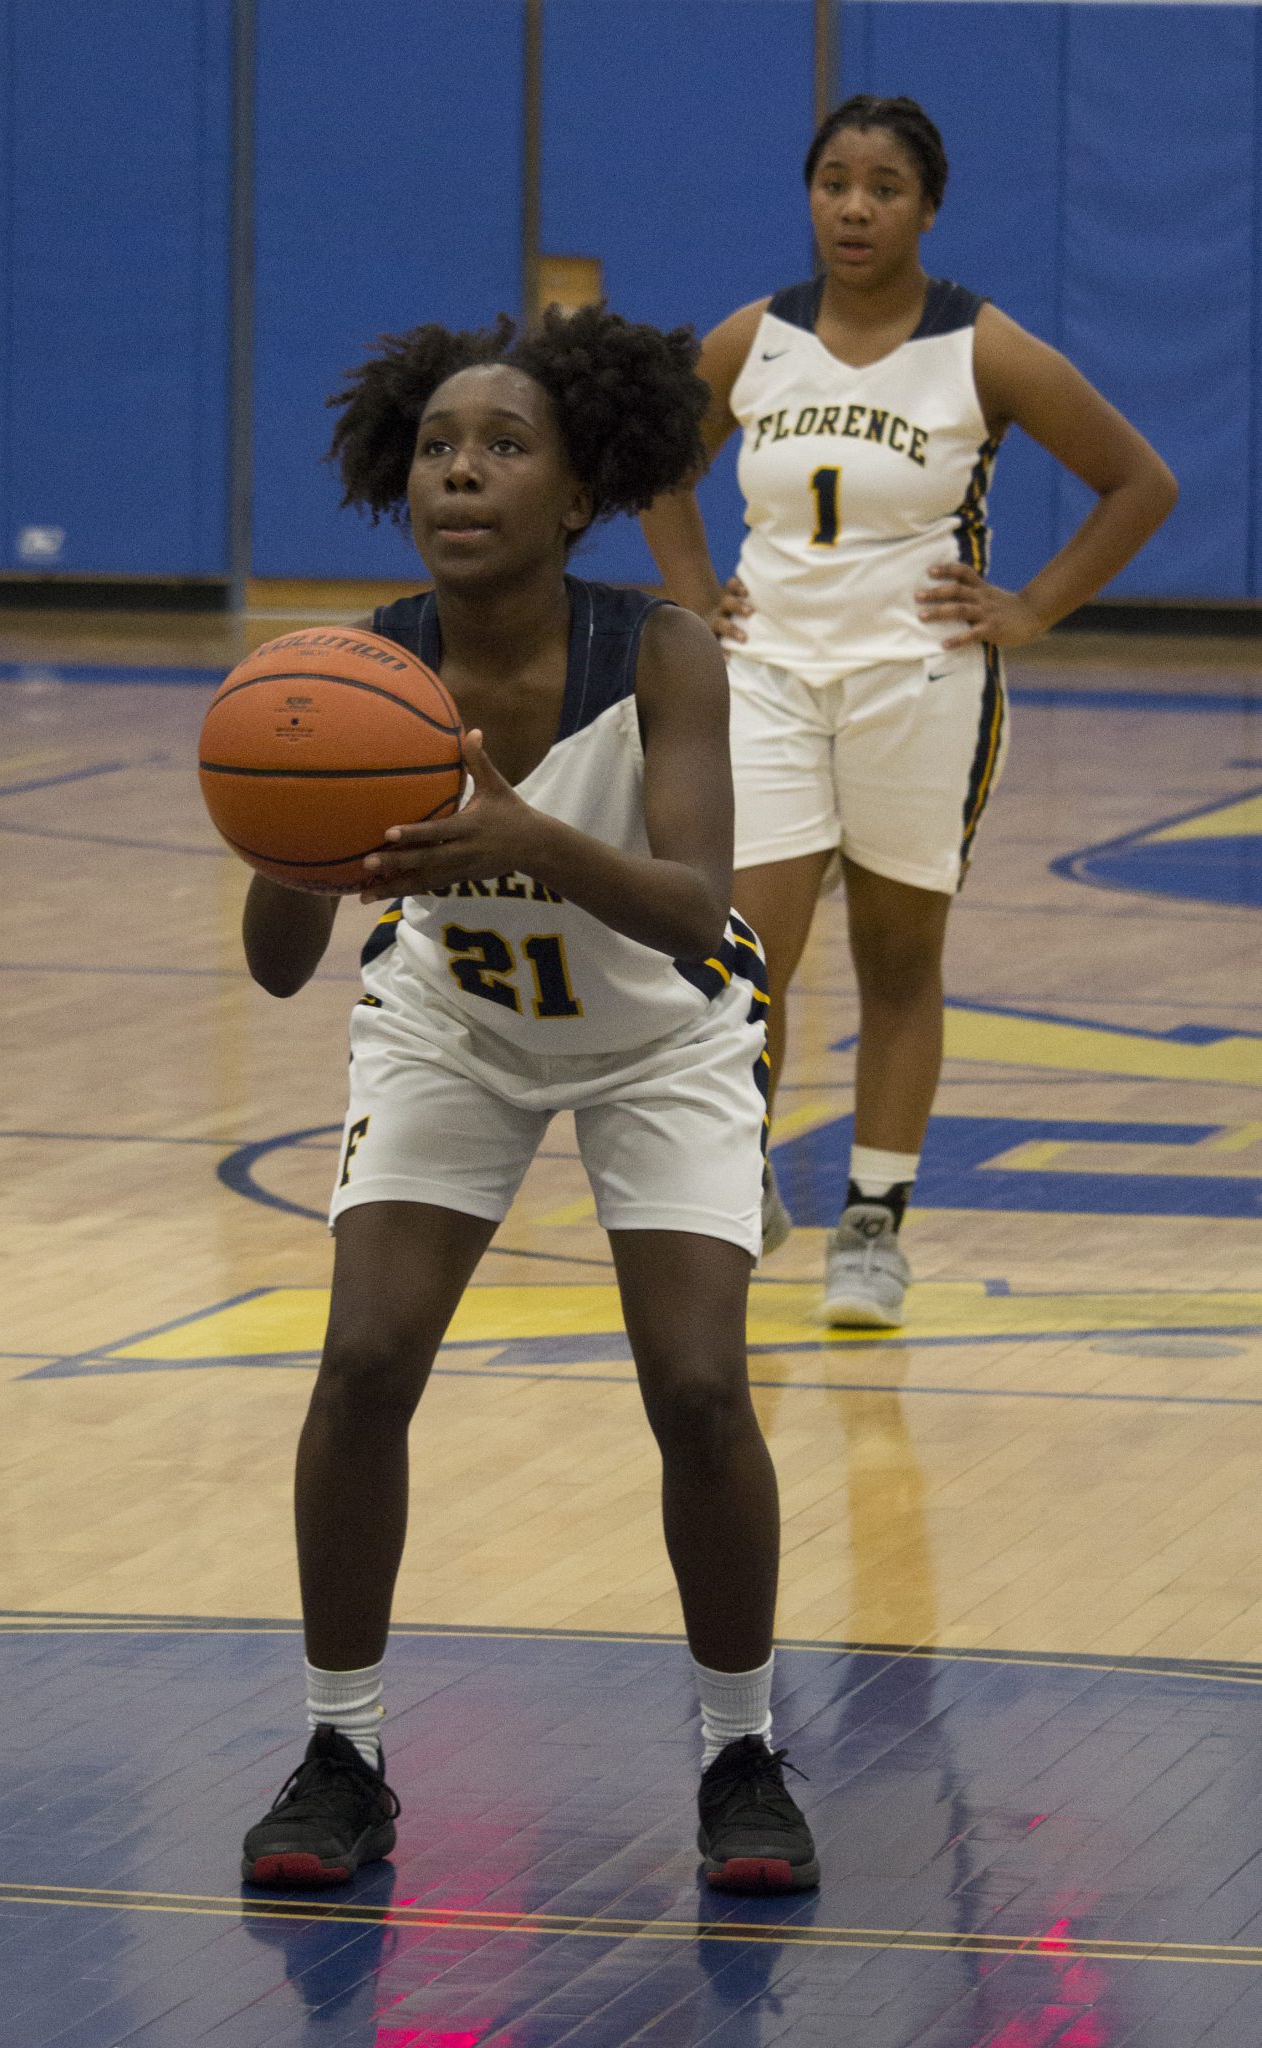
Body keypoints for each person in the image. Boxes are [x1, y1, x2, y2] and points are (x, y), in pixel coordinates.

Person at [238, 305, 819, 1896]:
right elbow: (281, 966)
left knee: (698, 1385)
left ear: (575, 495)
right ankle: (339, 1749)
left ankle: (740, 1751)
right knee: (361, 1360)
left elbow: (701, 910)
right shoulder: (343, 677)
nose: (461, 472)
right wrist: (290, 837)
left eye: (503, 446)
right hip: (457, 1025)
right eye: (435, 446)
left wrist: (526, 837)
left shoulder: (663, 654)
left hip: (662, 1030)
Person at [640, 94, 1177, 1328]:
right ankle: (738, 1178)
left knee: (898, 960)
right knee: (738, 958)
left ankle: (873, 1225)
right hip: (767, 676)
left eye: (882, 186)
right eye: (833, 181)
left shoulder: (980, 347)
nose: (854, 207)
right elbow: (658, 466)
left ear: (926, 207)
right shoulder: (754, 338)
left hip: (920, 684)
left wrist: (1033, 606)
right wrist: (689, 600)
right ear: (810, 194)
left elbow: (1137, 481)